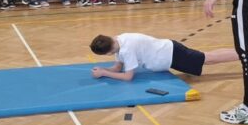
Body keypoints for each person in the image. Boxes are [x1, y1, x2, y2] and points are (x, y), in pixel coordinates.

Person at [89, 33, 238, 80]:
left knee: (208, 58)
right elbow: (118, 67)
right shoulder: (117, 41)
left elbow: (128, 77)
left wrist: (104, 73)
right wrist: (104, 70)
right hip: (169, 51)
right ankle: (242, 53)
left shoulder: (126, 49)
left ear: (108, 52)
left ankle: (243, 54)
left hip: (172, 54)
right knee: (207, 57)